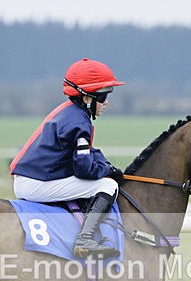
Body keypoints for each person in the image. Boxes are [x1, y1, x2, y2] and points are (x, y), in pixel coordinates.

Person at [10, 58, 125, 258]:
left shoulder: (69, 112)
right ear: (88, 98)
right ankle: (84, 240)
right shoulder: (79, 122)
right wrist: (107, 171)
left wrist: (104, 164)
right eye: (103, 95)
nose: (106, 102)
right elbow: (83, 170)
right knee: (108, 186)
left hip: (30, 178)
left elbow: (88, 153)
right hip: (35, 184)